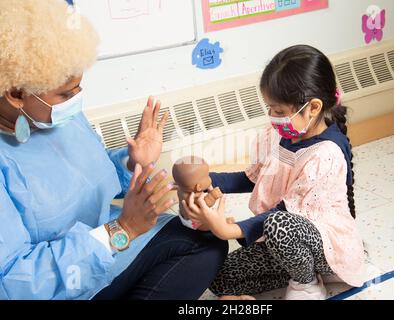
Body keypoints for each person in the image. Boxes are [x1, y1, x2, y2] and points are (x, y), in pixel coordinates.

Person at [0, 0, 227, 300]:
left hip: (107, 251)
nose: (77, 99)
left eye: (78, 87)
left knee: (207, 239)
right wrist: (121, 231)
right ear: (16, 93)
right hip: (62, 284)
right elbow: (13, 283)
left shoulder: (51, 116)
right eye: (66, 93)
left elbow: (89, 175)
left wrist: (132, 163)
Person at [183, 45, 366, 300]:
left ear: (313, 108)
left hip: (322, 243)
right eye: (269, 108)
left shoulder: (325, 154)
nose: (272, 116)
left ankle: (308, 282)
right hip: (280, 240)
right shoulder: (279, 135)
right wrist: (206, 179)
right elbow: (254, 177)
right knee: (219, 278)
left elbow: (284, 213)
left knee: (278, 224)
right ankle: (294, 264)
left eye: (279, 111)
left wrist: (231, 230)